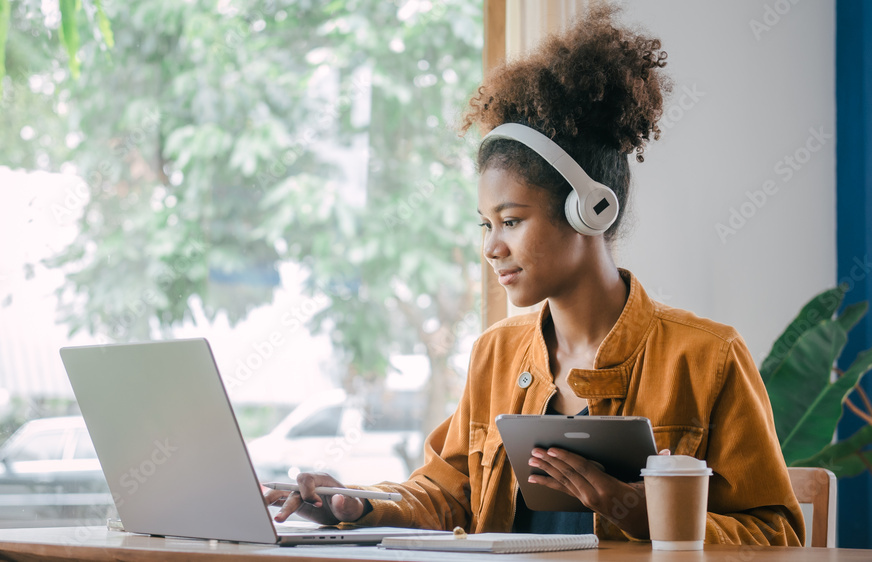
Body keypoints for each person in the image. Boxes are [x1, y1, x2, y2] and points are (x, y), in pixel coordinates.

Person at [264, 3, 805, 545]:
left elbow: (778, 535)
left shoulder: (706, 359)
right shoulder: (496, 354)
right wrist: (359, 505)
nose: (492, 247)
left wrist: (642, 513)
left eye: (512, 221)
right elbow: (449, 495)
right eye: (486, 224)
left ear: (590, 211)